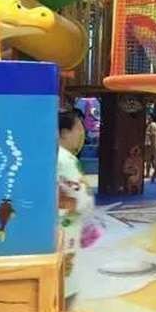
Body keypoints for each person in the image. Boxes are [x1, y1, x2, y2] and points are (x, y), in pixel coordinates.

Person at [57, 109, 95, 300]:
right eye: (78, 129)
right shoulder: (66, 159)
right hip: (67, 223)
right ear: (64, 133)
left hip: (59, 222)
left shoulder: (55, 155)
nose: (82, 134)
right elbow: (81, 196)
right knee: (66, 277)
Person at [144, 113, 156, 178]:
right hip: (149, 144)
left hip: (151, 144)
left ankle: (155, 173)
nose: (148, 118)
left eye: (149, 117)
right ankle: (148, 173)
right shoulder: (149, 124)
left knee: (152, 159)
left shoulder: (153, 124)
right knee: (148, 160)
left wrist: (153, 145)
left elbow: (153, 135)